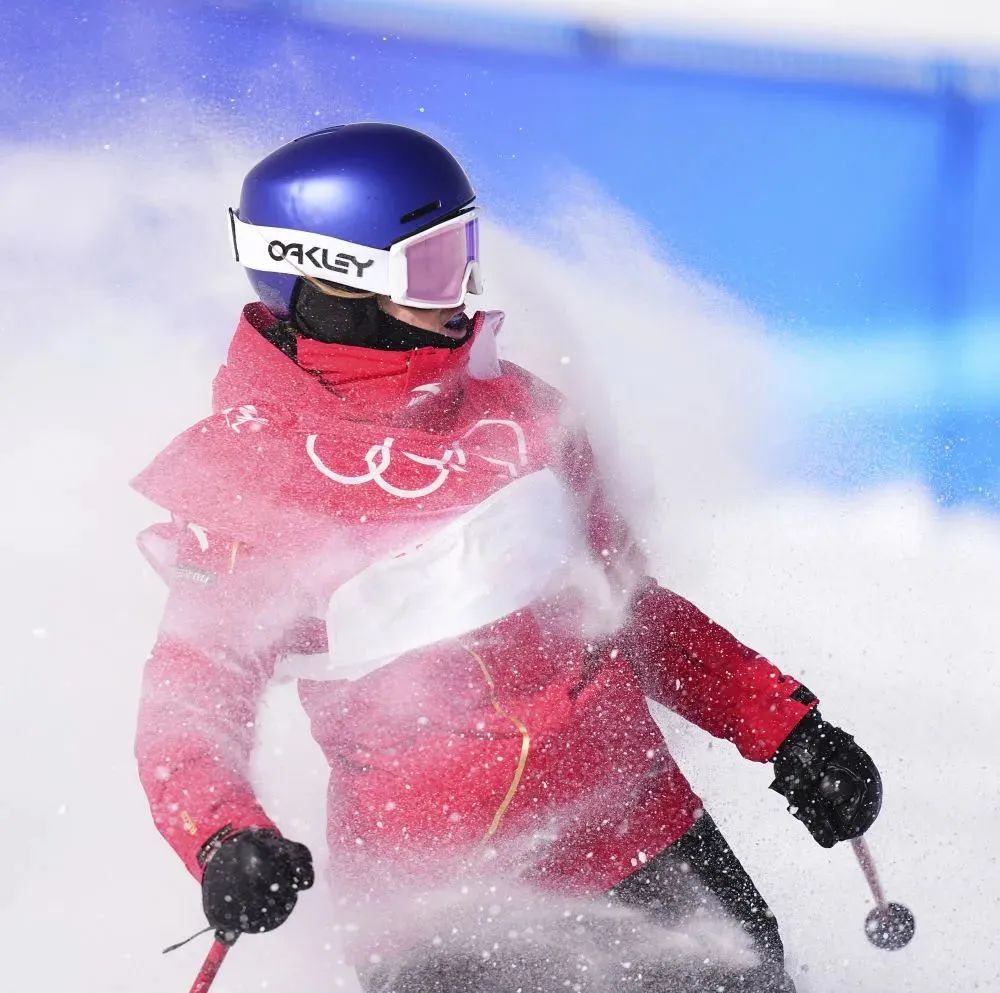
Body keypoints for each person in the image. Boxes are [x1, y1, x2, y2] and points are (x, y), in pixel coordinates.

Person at [133, 123, 882, 992]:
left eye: (464, 252)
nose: (460, 296)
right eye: (431, 266)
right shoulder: (250, 485)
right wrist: (224, 836)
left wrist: (784, 725)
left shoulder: (520, 415)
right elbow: (190, 699)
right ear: (331, 277)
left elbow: (626, 605)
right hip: (439, 908)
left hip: (639, 832)